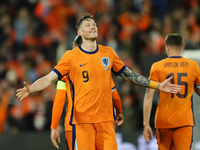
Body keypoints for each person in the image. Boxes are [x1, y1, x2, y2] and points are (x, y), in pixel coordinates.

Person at [16, 13, 182, 150]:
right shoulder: (70, 57)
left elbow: (130, 75)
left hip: (106, 122)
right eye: (87, 25)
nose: (92, 26)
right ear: (80, 33)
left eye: (94, 24)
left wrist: (158, 85)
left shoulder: (108, 53)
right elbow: (49, 78)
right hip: (83, 123)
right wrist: (31, 89)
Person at [50, 35, 124, 150]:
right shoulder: (101, 72)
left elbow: (59, 99)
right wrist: (119, 112)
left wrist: (54, 126)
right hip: (100, 121)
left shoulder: (65, 73)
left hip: (75, 124)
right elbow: (115, 96)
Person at [143, 33, 200, 150]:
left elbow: (148, 96)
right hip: (185, 121)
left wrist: (146, 124)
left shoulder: (157, 66)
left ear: (167, 47)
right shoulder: (193, 65)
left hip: (163, 122)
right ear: (182, 47)